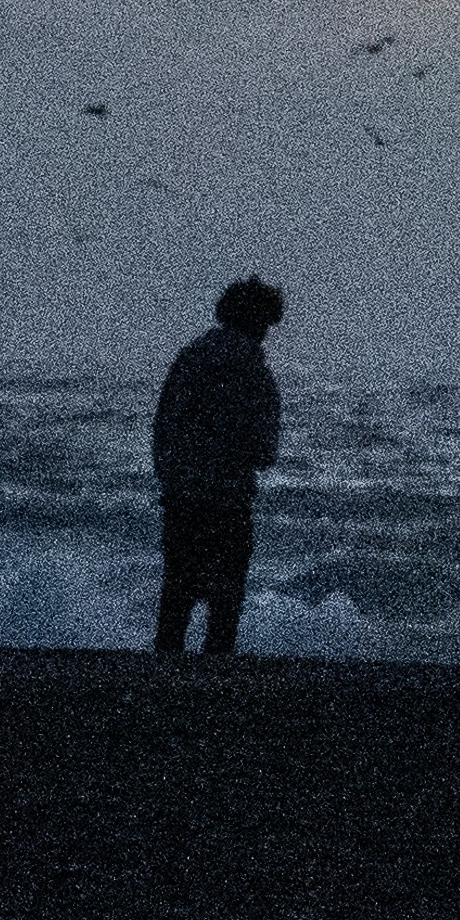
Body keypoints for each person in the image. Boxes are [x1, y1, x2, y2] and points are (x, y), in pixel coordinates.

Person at [151, 276, 286, 657]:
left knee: (175, 605)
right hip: (228, 502)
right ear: (260, 321)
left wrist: (173, 478)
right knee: (223, 614)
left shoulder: (190, 358)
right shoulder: (254, 373)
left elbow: (163, 426)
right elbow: (265, 451)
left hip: (183, 499)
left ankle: (161, 694)